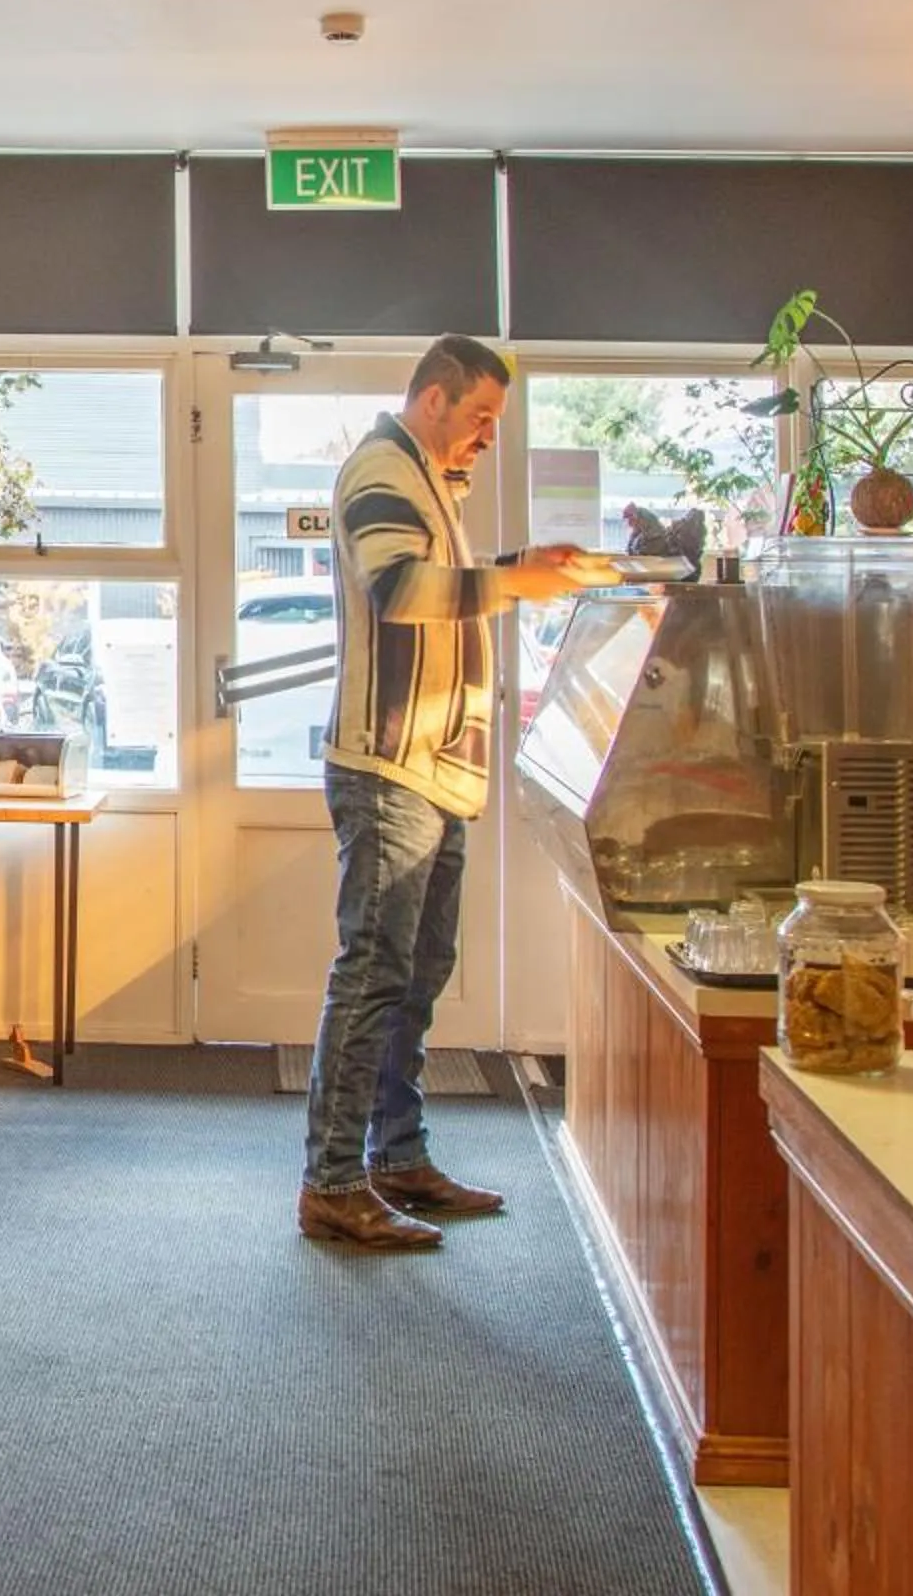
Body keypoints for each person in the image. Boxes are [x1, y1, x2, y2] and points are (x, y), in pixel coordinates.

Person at [300, 336, 613, 1251]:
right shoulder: (382, 468)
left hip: (436, 769)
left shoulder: (430, 477)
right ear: (434, 397)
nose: (485, 439)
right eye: (479, 418)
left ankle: (396, 1155)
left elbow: (441, 576)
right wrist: (520, 580)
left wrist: (522, 560)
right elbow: (399, 588)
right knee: (373, 975)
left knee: (416, 976)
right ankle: (330, 1181)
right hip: (389, 767)